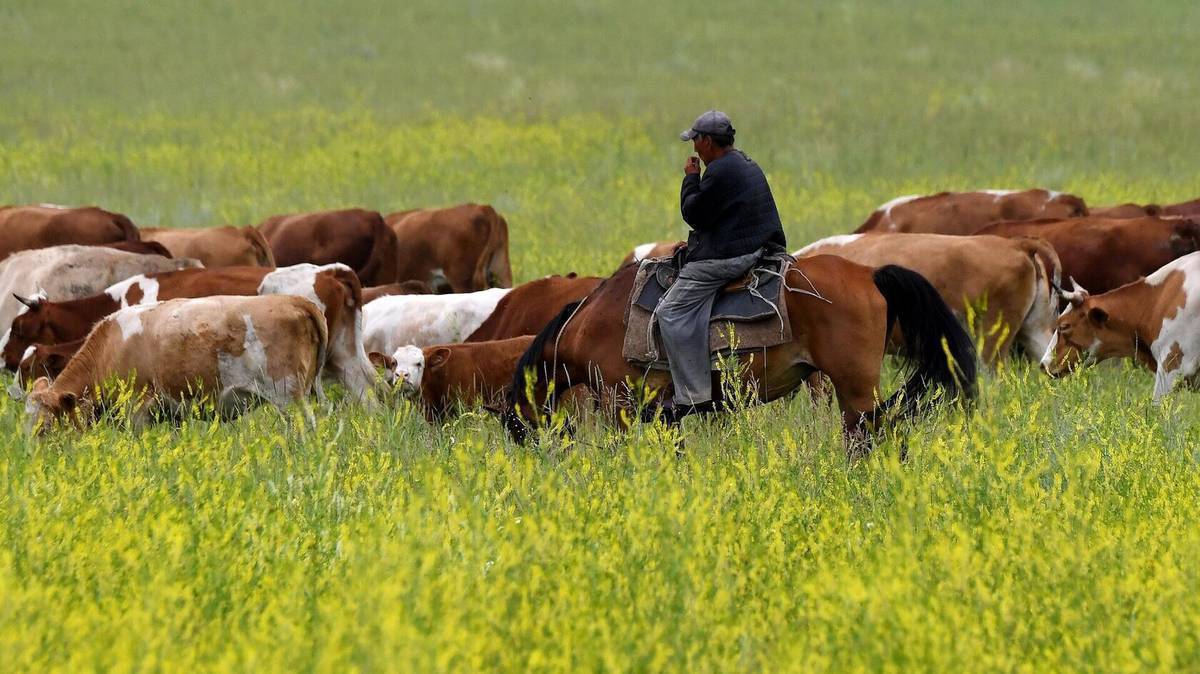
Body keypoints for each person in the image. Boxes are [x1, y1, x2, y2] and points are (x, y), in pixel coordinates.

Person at [653, 110, 787, 422]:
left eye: (696, 140)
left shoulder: (717, 173)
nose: (694, 147)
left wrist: (690, 178)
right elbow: (724, 216)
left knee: (670, 311)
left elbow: (694, 213)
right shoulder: (741, 162)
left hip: (732, 256)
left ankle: (692, 395)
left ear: (708, 142)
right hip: (757, 245)